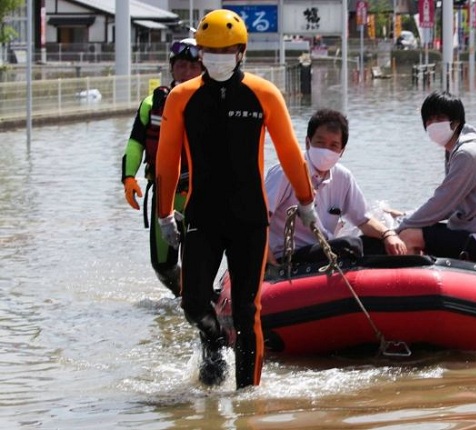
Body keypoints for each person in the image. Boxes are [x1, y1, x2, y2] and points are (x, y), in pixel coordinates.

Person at [155, 9, 317, 389]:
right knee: (193, 303)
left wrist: (307, 202)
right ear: (200, 54)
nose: (218, 56)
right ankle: (212, 339)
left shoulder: (263, 94)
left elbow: (290, 152)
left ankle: (248, 397)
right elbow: (166, 158)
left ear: (241, 51)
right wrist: (164, 214)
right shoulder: (182, 98)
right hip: (202, 215)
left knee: (248, 311)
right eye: (210, 50)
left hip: (249, 218)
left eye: (226, 49)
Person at [266, 109, 406, 264]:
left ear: (342, 151)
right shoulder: (286, 171)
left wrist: (388, 235)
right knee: (349, 246)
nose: (326, 150)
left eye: (333, 145)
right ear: (307, 142)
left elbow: (363, 219)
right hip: (290, 255)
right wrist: (272, 267)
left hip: (326, 248)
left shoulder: (343, 177)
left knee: (379, 245)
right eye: (320, 143)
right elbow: (258, 220)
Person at [120, 38, 203, 297]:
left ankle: (199, 303)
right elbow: (136, 143)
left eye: (193, 66)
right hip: (165, 192)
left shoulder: (214, 102)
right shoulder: (152, 103)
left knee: (198, 259)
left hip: (202, 193)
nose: (187, 72)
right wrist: (128, 177)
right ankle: (183, 297)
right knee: (162, 264)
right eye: (181, 66)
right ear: (171, 68)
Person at [396, 91, 476, 263]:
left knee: (408, 236)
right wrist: (407, 215)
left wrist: (401, 226)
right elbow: (451, 204)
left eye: (440, 118)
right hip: (473, 229)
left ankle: (407, 287)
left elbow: (443, 202)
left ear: (456, 122)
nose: (433, 124)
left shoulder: (467, 154)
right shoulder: (454, 150)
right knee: (415, 227)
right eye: (429, 120)